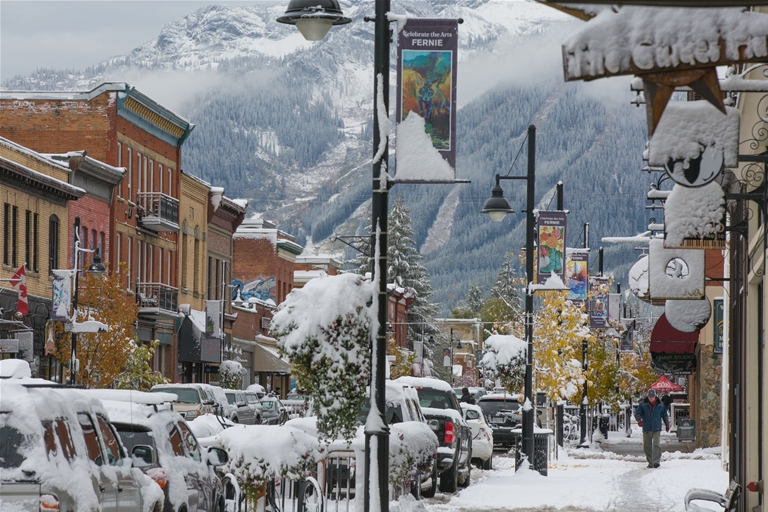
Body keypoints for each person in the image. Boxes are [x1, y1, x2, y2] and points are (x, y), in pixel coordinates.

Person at [635, 389, 670, 468]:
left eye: (652, 397)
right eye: (650, 397)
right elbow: (637, 413)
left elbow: (664, 415)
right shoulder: (643, 404)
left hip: (656, 427)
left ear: (655, 396)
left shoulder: (660, 405)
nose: (651, 398)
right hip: (647, 427)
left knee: (656, 444)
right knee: (647, 446)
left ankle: (656, 461)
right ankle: (650, 462)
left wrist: (667, 425)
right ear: (648, 396)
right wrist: (639, 420)